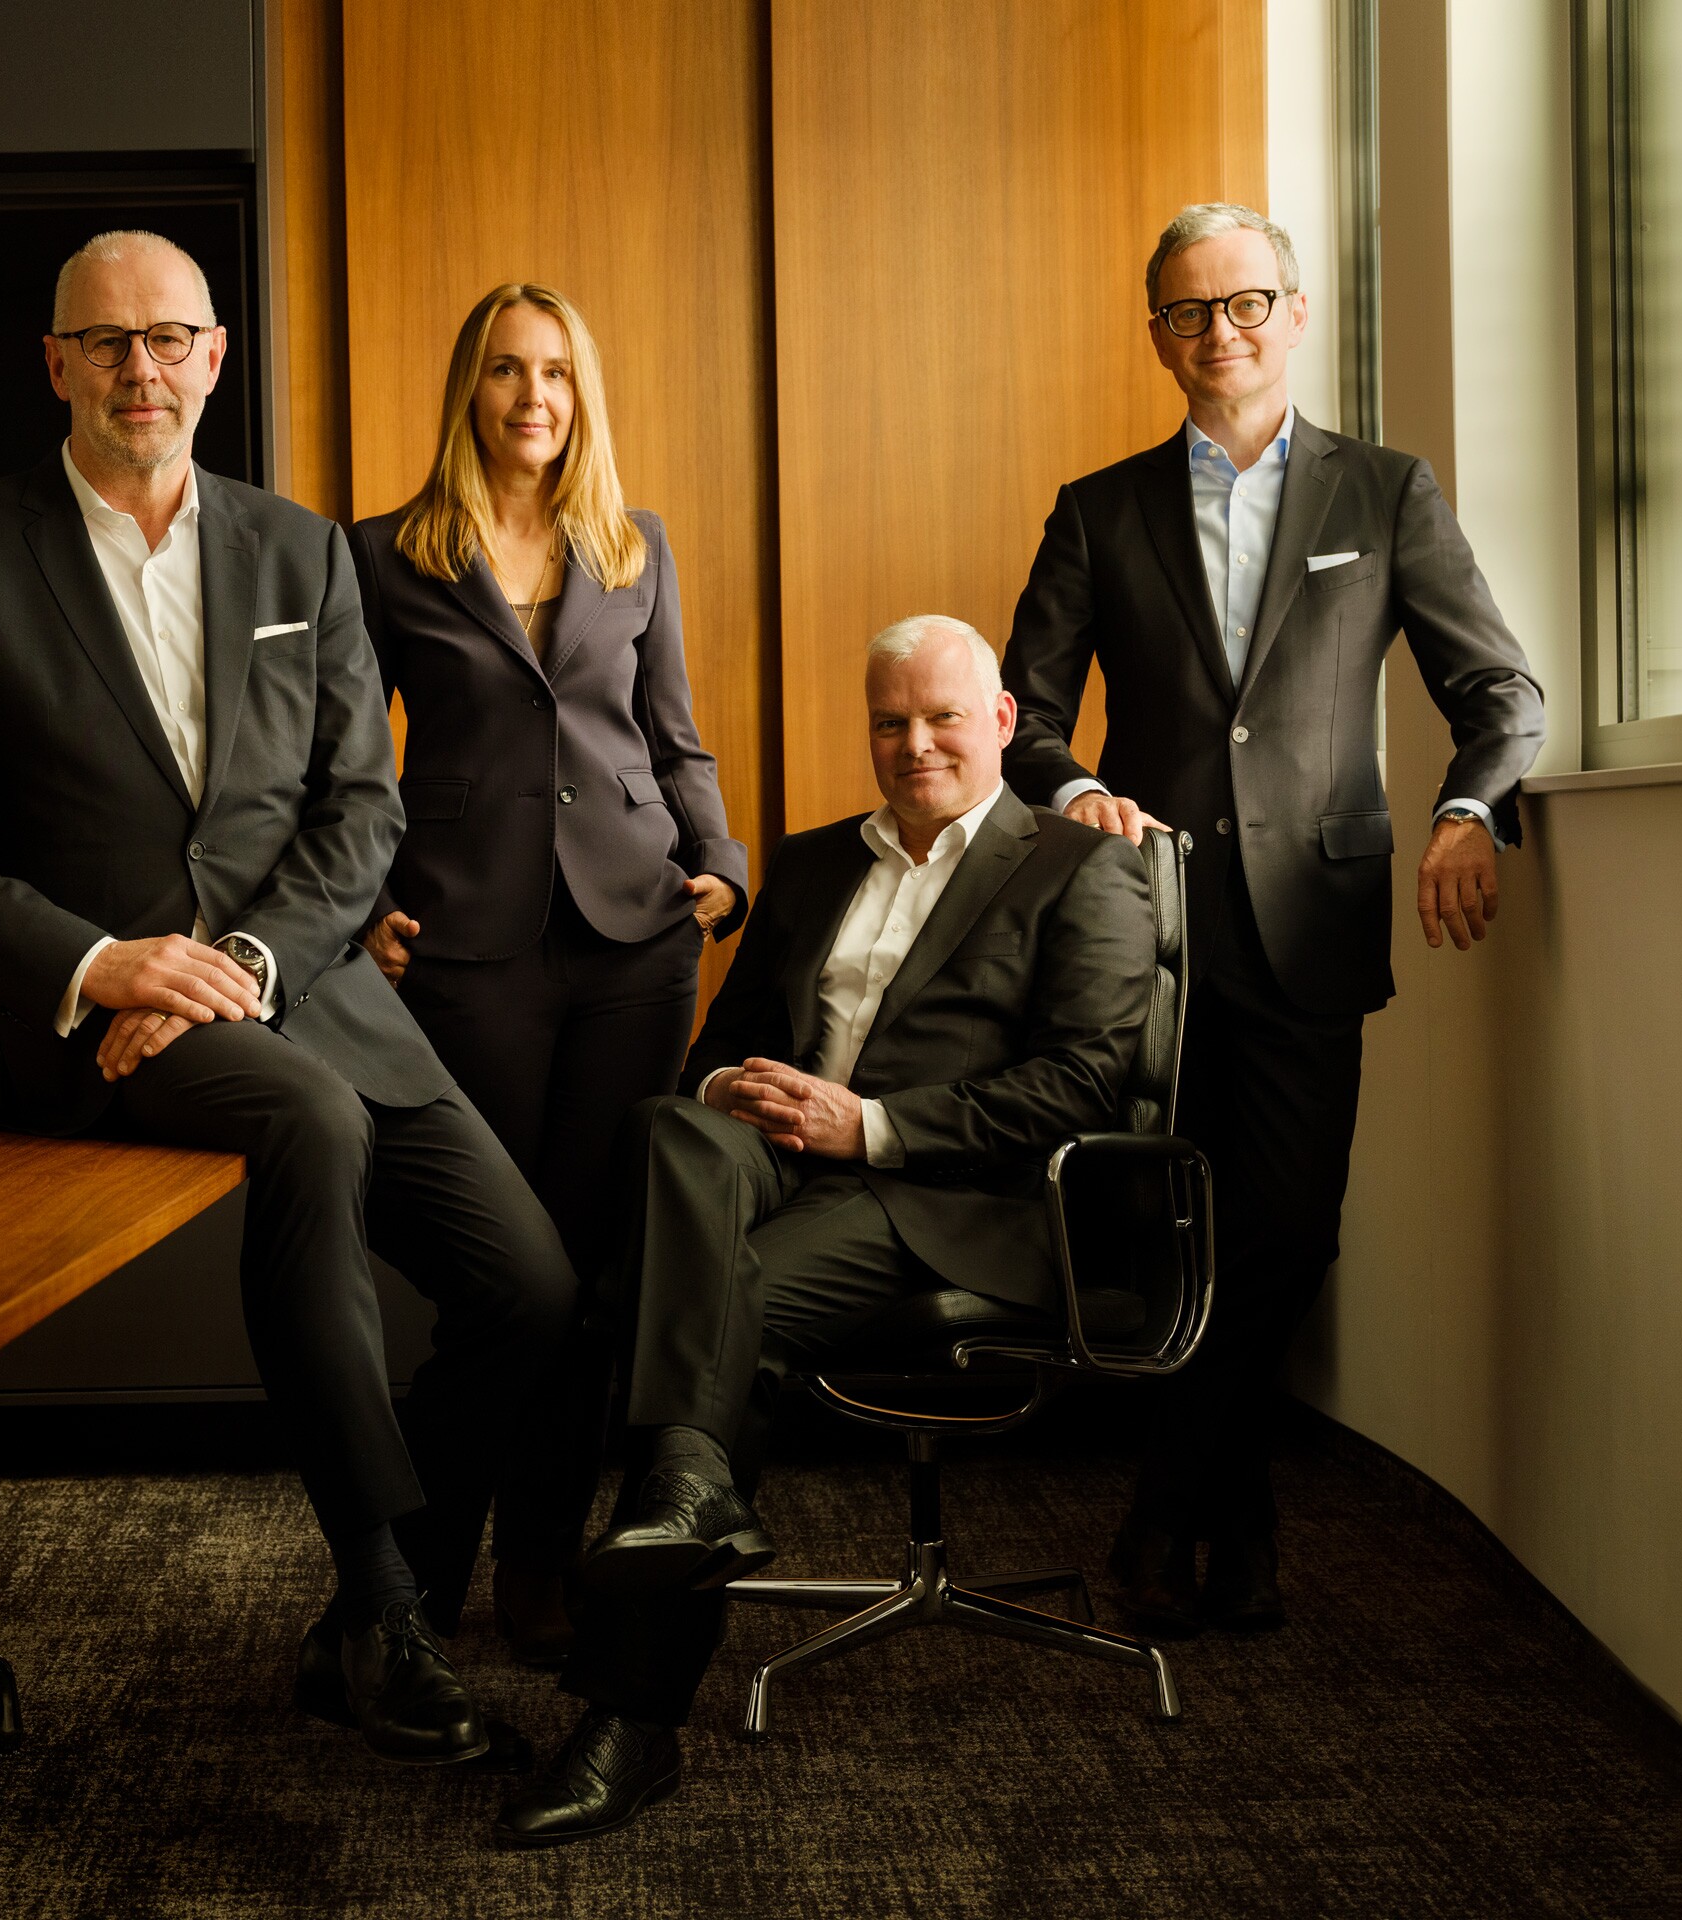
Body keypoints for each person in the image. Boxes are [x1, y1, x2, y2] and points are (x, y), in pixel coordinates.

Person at [0, 229, 578, 1769]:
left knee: (531, 1287)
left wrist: (245, 966)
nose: (144, 369)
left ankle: (373, 1610)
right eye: (109, 343)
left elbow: (360, 808)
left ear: (216, 358)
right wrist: (103, 963)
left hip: (307, 991)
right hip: (103, 1027)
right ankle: (384, 1610)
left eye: (171, 339)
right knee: (310, 1122)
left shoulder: (299, 550)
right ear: (56, 364)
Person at [491, 616, 1159, 1846]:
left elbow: (1083, 1084)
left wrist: (872, 1127)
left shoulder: (1079, 867)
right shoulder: (808, 866)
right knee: (670, 1126)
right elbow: (718, 1051)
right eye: (890, 723)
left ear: (1001, 722)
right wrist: (726, 1089)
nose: (916, 745)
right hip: (777, 1168)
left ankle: (629, 1718)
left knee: (705, 1308)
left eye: (943, 718)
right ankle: (689, 1491)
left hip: (952, 1199)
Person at [998, 203, 1546, 1637]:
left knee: (1291, 1236)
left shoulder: (1386, 491)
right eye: (1189, 311)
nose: (1220, 331)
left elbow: (1501, 692)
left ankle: (1163, 1507)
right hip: (1150, 932)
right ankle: (1234, 1533)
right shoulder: (1098, 510)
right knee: (1170, 1232)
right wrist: (1079, 793)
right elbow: (1023, 720)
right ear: (1158, 336)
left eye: (1246, 302)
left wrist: (1469, 809)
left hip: (1315, 923)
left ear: (1295, 314)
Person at [350, 283, 749, 1667]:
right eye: (509, 371)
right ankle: (415, 1576)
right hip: (466, 945)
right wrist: (363, 909)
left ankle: (537, 1568)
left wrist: (722, 862)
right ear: (469, 389)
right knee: (500, 1278)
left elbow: (674, 734)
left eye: (559, 374)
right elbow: (343, 759)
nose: (535, 397)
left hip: (636, 941)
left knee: (589, 1274)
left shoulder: (633, 545)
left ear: (584, 396)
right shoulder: (386, 553)